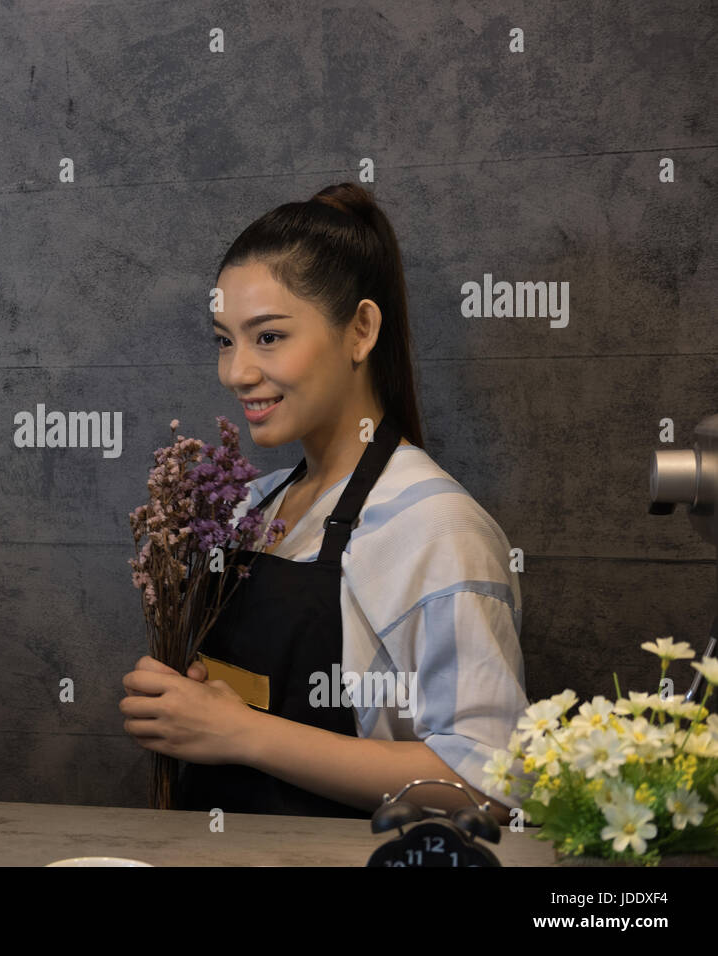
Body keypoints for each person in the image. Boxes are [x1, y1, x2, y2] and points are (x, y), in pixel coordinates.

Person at [120, 183, 528, 824]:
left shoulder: (433, 528)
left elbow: (492, 784)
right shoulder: (252, 505)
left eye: (269, 337)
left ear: (361, 329)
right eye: (225, 340)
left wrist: (241, 734)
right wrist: (186, 702)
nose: (237, 372)